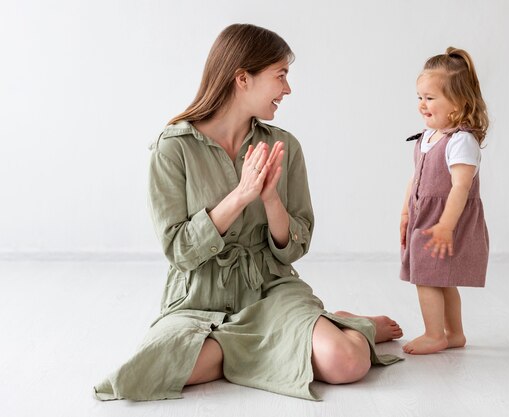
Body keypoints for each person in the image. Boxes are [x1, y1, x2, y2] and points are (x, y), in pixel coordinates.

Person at [93, 23, 403, 402]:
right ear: (243, 78)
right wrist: (240, 195)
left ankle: (338, 328)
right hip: (197, 300)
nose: (287, 90)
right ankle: (293, 336)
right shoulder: (172, 149)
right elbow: (179, 250)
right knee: (146, 373)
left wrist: (271, 199)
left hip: (269, 291)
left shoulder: (284, 146)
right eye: (281, 76)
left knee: (346, 363)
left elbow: (294, 248)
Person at [399, 47, 489, 355]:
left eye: (430, 98)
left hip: (445, 219)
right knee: (441, 278)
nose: (422, 105)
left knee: (427, 277)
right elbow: (416, 177)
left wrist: (446, 225)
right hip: (423, 215)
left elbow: (462, 186)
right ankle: (454, 333)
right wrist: (405, 211)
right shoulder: (429, 135)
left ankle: (435, 334)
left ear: (459, 103)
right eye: (420, 97)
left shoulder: (461, 140)